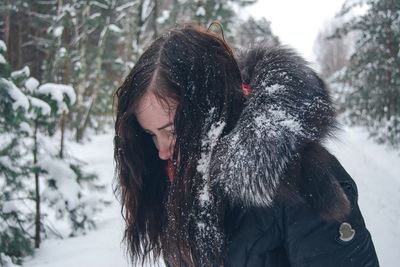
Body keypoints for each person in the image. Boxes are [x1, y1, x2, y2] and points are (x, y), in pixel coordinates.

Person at [114, 24, 379, 267]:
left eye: (171, 131)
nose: (162, 152)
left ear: (210, 110)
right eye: (150, 135)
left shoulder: (301, 179)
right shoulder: (177, 180)